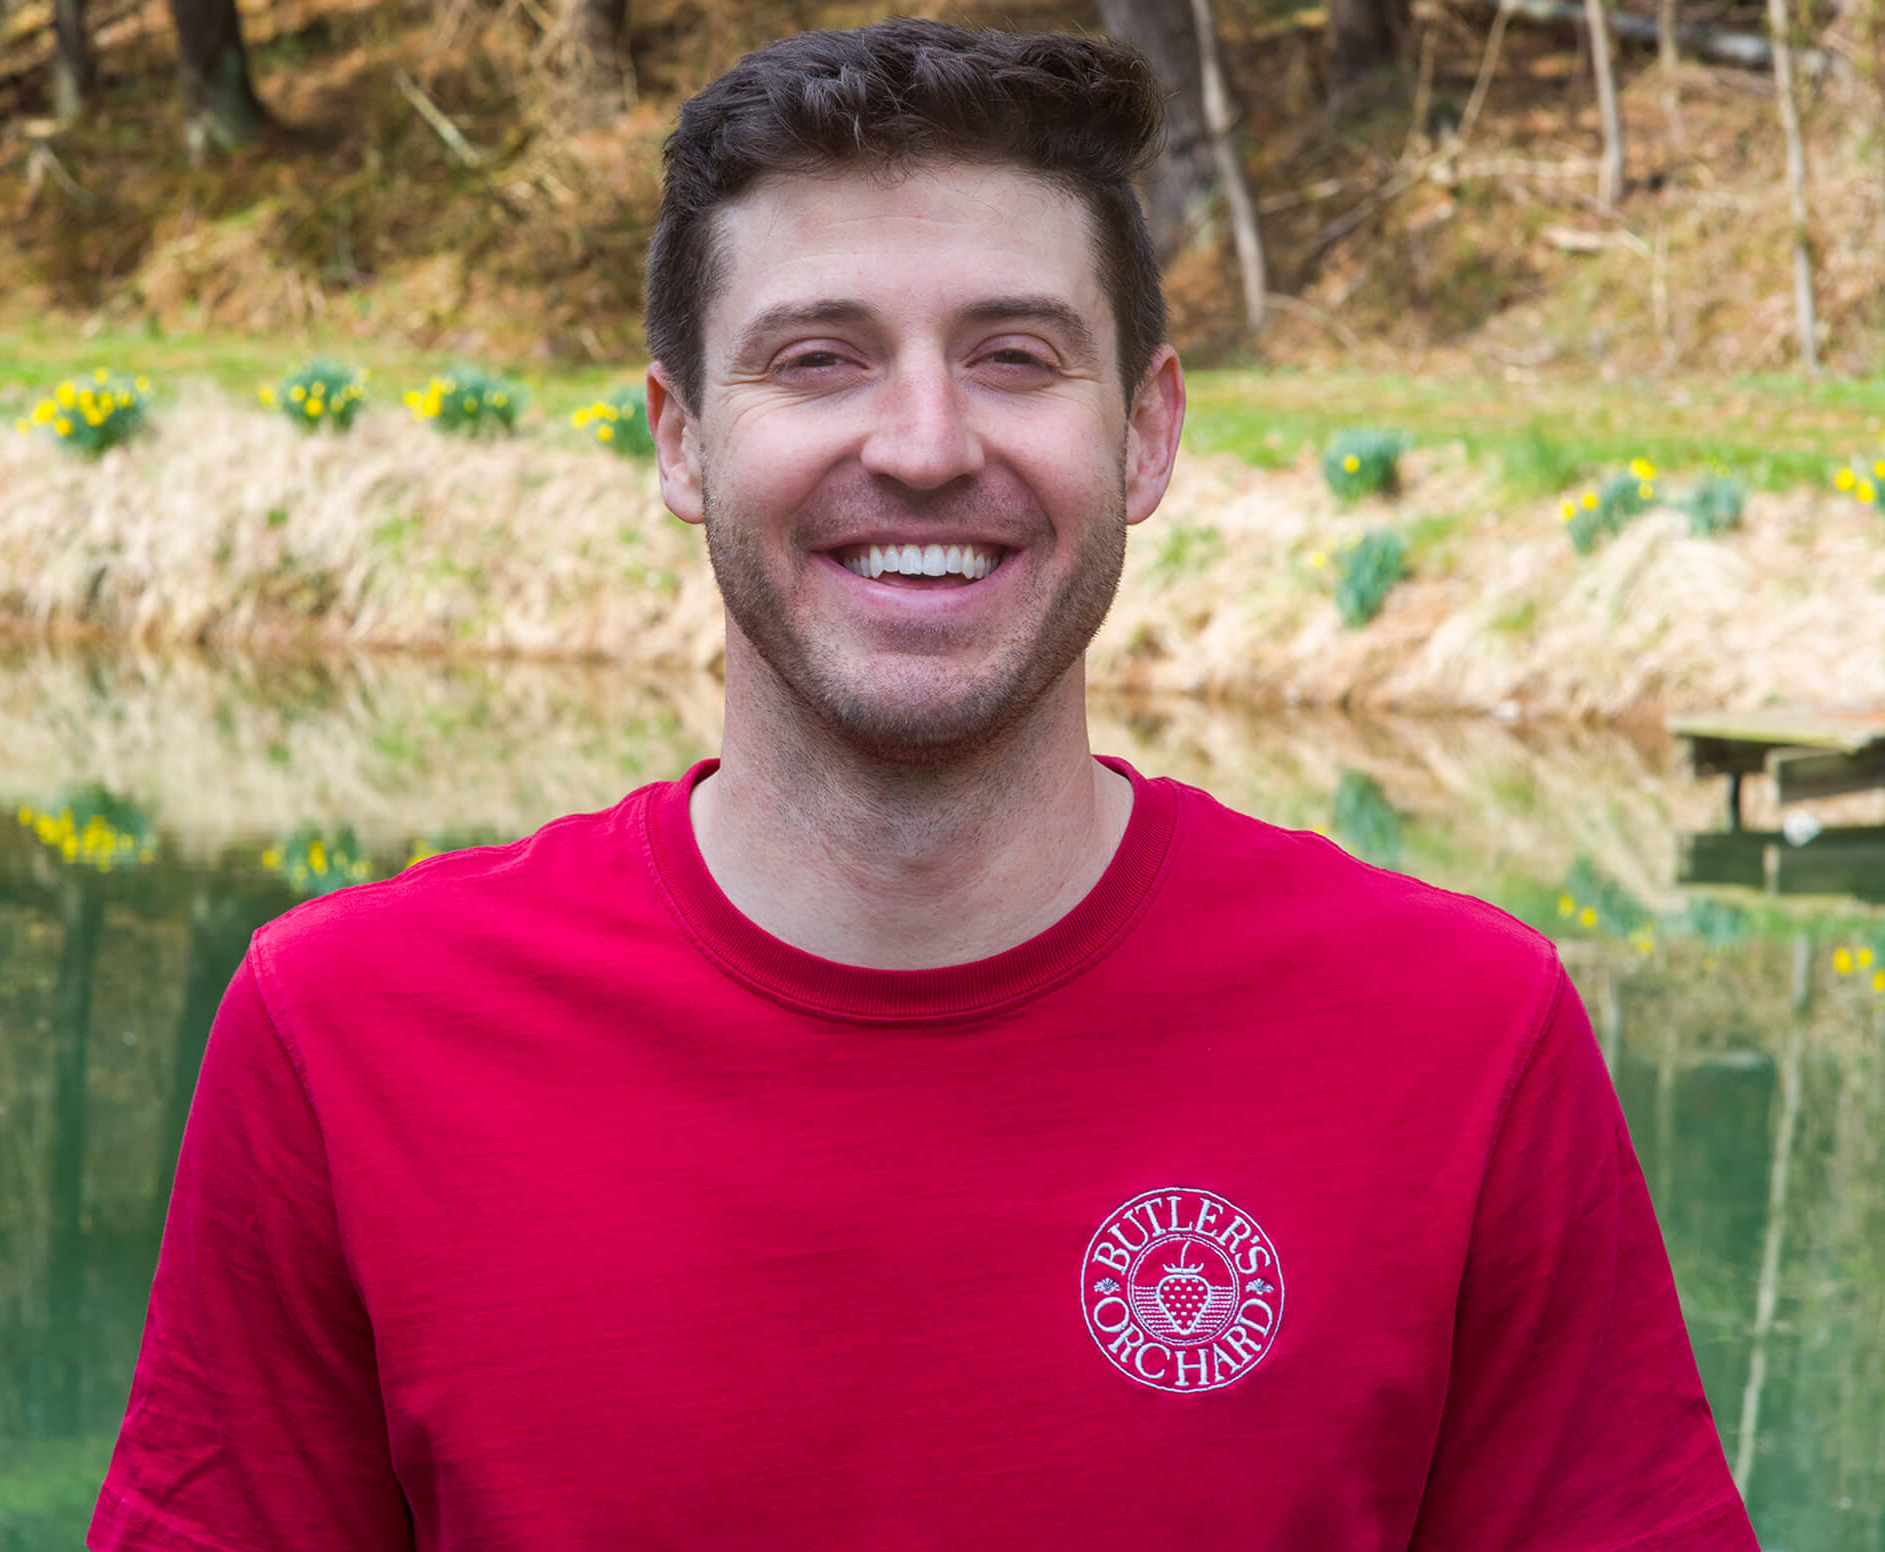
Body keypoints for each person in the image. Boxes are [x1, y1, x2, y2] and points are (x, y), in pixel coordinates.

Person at [90, 19, 1758, 1551]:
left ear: (1147, 433)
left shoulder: (1456, 1038)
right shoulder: (350, 1037)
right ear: (677, 438)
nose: (924, 442)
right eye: (818, 358)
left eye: (1017, 354)